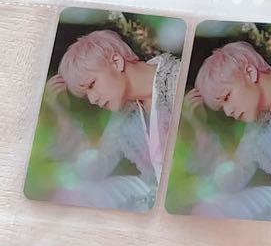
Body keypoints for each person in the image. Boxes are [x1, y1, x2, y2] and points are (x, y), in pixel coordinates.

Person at [42, 27, 181, 211]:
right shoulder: (124, 116)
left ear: (116, 62)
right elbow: (95, 170)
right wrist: (62, 115)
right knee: (81, 193)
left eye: (92, 85)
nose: (92, 100)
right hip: (158, 202)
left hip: (183, 199)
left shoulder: (178, 80)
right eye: (86, 95)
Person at [184, 40, 271, 220]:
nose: (228, 112)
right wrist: (200, 128)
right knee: (209, 209)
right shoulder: (258, 128)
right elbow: (231, 182)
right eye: (221, 108)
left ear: (250, 73)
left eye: (227, 97)